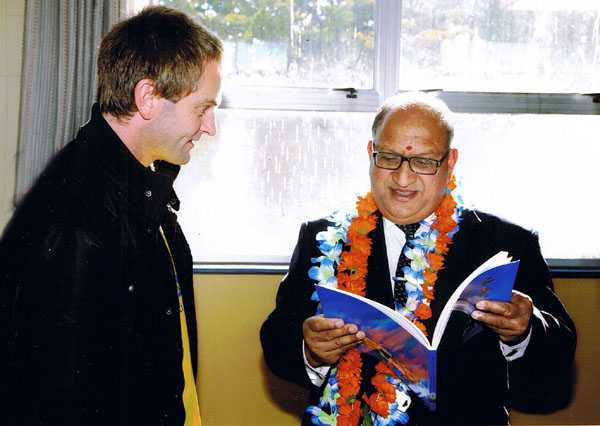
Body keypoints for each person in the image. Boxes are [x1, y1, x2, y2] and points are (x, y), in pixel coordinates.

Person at [260, 92, 576, 425]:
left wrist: (525, 331)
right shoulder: (322, 238)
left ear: (450, 163)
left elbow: (559, 357)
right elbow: (277, 338)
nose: (402, 178)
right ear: (370, 153)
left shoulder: (505, 244)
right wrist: (309, 351)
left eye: (423, 161)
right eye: (389, 158)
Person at [0, 6, 222, 426]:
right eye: (202, 108)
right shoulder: (77, 215)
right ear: (148, 97)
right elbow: (59, 402)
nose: (210, 126)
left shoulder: (143, 187)